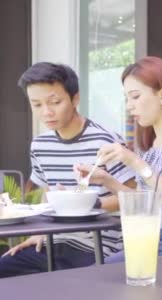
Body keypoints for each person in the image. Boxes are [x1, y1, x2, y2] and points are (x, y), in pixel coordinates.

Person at [0, 62, 137, 277]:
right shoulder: (39, 145)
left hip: (98, 245)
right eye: (36, 104)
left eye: (55, 102)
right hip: (53, 239)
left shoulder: (105, 141)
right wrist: (38, 234)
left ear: (75, 99)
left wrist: (81, 205)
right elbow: (48, 193)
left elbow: (133, 197)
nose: (46, 112)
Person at [78, 56, 162, 260]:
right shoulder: (151, 147)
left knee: (107, 275)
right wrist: (106, 180)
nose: (129, 106)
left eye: (135, 96)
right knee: (101, 272)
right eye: (126, 98)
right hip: (147, 237)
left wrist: (134, 161)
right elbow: (143, 203)